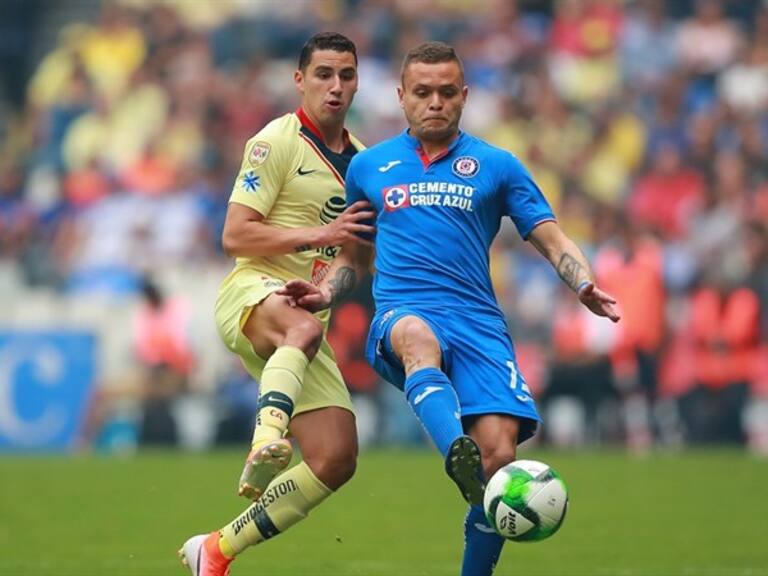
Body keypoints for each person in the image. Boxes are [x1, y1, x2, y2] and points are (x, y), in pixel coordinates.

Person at [279, 41, 620, 576]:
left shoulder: (497, 165)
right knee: (417, 340)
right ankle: (452, 448)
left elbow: (551, 239)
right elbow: (353, 257)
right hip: (402, 313)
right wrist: (326, 291)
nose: (434, 102)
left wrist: (583, 284)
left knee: (500, 459)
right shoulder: (369, 167)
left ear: (464, 96)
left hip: (479, 324)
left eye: (445, 92)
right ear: (401, 97)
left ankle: (473, 514)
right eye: (422, 92)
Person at [179, 32, 374, 576]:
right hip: (252, 294)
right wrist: (318, 233)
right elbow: (236, 235)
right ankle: (265, 438)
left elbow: (355, 260)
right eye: (323, 75)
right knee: (304, 333)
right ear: (300, 80)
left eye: (347, 76)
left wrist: (329, 289)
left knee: (337, 458)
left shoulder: (364, 164)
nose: (336, 87)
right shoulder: (276, 141)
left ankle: (214, 551)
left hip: (307, 313)